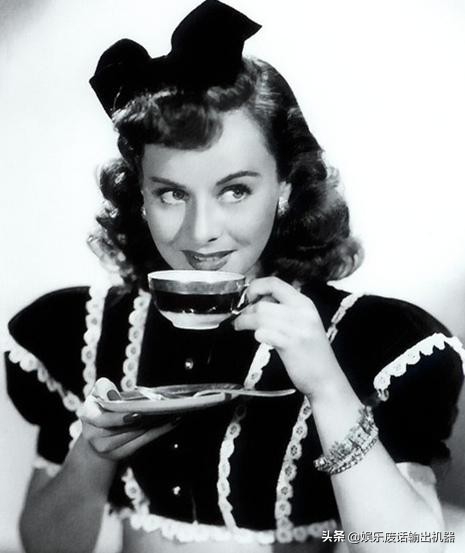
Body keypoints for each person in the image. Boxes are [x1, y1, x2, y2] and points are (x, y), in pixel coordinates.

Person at [4, 1, 464, 552]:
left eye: (235, 190)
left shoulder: (378, 342)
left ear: (285, 185)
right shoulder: (86, 333)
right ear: (140, 196)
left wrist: (328, 389)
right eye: (171, 194)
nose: (202, 232)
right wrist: (92, 454)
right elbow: (43, 546)